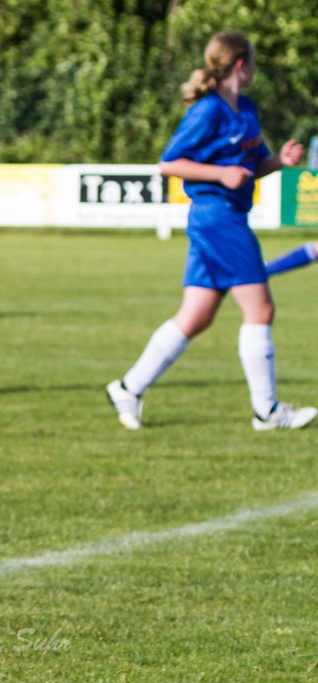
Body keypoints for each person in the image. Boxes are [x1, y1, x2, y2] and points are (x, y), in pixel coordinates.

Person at [106, 30, 314, 431]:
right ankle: (267, 412)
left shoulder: (246, 109)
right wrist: (219, 173)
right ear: (241, 64)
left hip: (223, 217)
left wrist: (278, 161)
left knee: (195, 316)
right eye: (252, 61)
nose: (255, 68)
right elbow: (169, 163)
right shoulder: (208, 111)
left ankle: (127, 388)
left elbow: (249, 170)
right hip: (216, 217)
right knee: (261, 309)